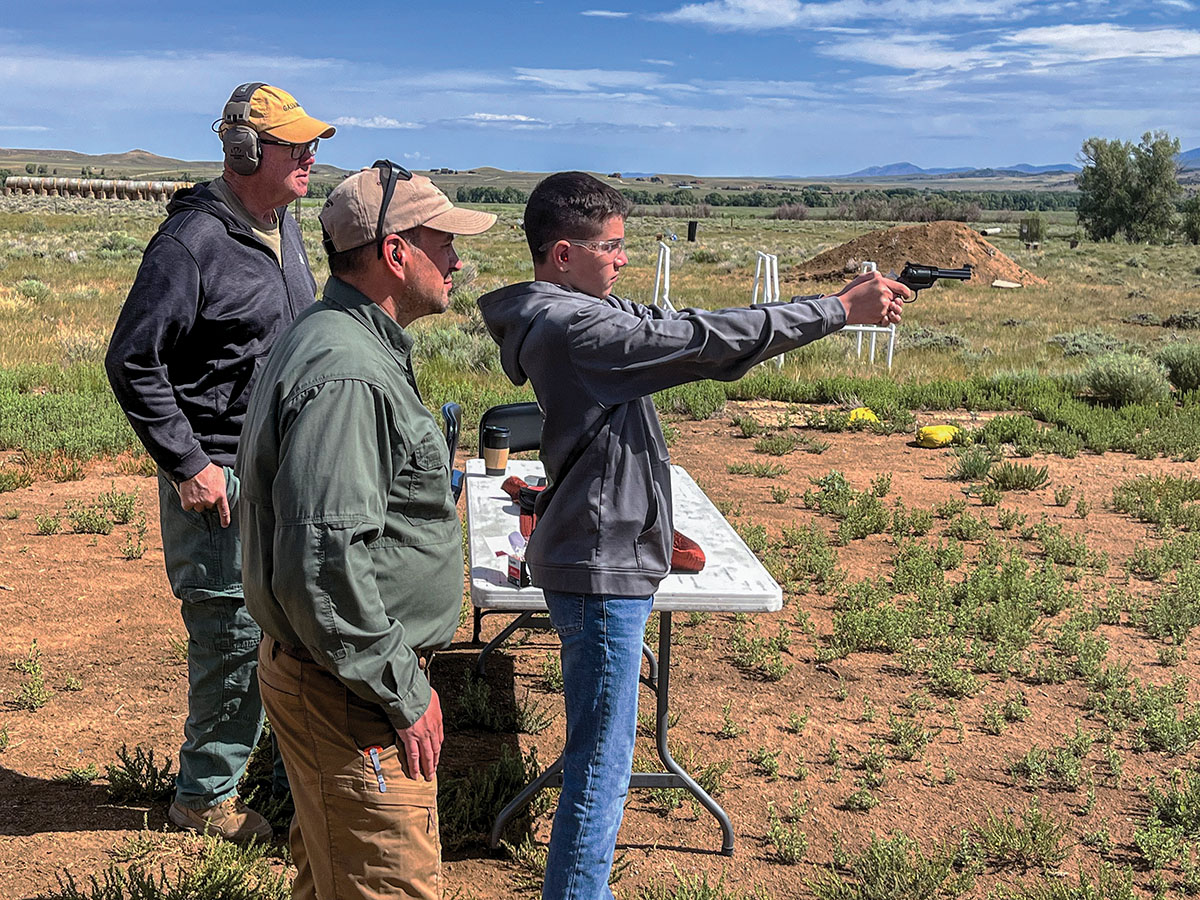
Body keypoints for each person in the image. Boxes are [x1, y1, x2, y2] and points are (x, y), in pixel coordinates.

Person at [476, 171, 908, 900]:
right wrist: (837, 309)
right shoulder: (580, 328)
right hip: (601, 566)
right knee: (601, 767)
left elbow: (690, 326)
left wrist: (826, 301)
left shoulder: (574, 313)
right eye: (609, 247)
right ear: (560, 254)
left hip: (599, 553)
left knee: (600, 757)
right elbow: (704, 340)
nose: (622, 259)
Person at [237, 162, 495, 899]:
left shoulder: (345, 338)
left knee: (331, 876)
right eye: (442, 243)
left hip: (335, 677)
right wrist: (402, 688)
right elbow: (323, 561)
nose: (456, 260)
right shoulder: (349, 371)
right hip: (351, 692)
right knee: (387, 882)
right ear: (395, 253)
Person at [105, 82, 334, 842]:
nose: (309, 156)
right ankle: (203, 800)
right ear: (244, 152)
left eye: (311, 144)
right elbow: (134, 361)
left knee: (280, 628)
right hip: (221, 481)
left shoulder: (282, 226)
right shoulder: (191, 243)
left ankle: (260, 771)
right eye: (293, 145)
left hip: (278, 475)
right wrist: (189, 464)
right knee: (232, 639)